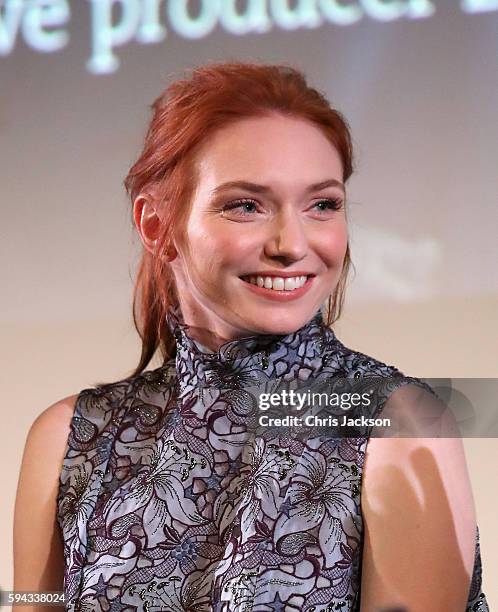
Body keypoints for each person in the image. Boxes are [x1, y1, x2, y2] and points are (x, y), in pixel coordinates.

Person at [14, 61, 488, 612]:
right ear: (155, 227)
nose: (291, 243)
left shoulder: (398, 423)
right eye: (246, 205)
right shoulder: (67, 435)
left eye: (323, 205)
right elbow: (29, 598)